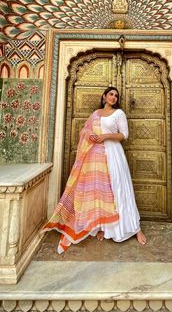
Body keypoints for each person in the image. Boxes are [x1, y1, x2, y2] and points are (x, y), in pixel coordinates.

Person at [42, 86, 146, 253]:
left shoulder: (119, 114)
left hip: (113, 155)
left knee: (118, 190)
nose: (113, 97)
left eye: (116, 96)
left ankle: (135, 228)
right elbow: (85, 130)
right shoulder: (95, 114)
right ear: (104, 96)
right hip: (95, 157)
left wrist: (106, 136)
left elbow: (124, 135)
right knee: (100, 192)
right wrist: (89, 135)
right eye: (111, 94)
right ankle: (104, 227)